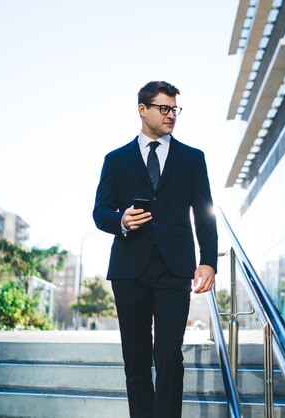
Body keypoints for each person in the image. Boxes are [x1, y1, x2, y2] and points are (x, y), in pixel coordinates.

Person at [93, 81, 217, 418]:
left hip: (174, 270)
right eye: (164, 108)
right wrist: (121, 220)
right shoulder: (116, 160)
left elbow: (205, 212)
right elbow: (100, 212)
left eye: (175, 109)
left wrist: (208, 261)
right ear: (142, 109)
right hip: (129, 269)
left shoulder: (192, 158)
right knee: (135, 358)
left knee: (168, 356)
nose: (171, 115)